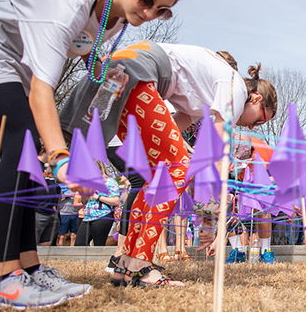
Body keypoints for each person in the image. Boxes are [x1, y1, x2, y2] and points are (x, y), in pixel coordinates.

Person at [0, 0, 188, 309]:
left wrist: (101, 69)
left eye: (162, 10)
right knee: (20, 147)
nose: (150, 14)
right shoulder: (68, 2)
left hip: (18, 62)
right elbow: (42, 91)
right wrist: (61, 157)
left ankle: (29, 269)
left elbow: (84, 44)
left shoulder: (114, 14)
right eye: (147, 1)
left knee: (27, 157)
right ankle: (4, 279)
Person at [60, 41, 277, 287]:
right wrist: (214, 222)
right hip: (136, 73)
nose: (250, 126)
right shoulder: (236, 87)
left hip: (123, 72)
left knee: (157, 175)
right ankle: (140, 264)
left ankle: (126, 264)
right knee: (176, 170)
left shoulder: (204, 95)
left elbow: (175, 125)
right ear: (256, 98)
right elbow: (216, 149)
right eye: (259, 119)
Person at [75, 161, 120, 246]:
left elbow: (116, 201)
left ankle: (99, 259)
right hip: (88, 217)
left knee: (99, 244)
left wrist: (97, 197)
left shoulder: (110, 182)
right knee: (79, 244)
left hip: (103, 215)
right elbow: (83, 202)